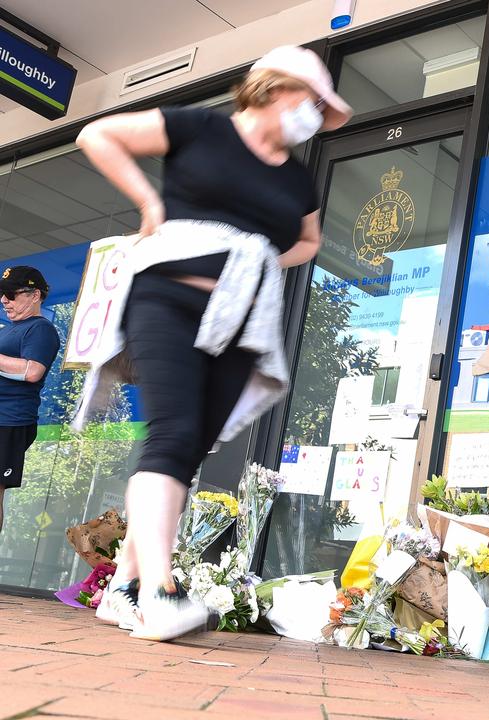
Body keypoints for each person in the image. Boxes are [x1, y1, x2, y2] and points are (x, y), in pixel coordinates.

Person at [73, 46, 351, 641]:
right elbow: (98, 136)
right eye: (312, 101)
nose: (314, 116)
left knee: (189, 448)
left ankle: (122, 587)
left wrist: (256, 259)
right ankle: (159, 593)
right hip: (167, 297)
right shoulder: (200, 128)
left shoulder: (298, 176)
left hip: (241, 318)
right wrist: (150, 203)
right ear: (277, 88)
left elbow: (308, 240)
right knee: (172, 435)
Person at [0, 266, 60, 531]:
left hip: (9, 420)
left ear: (35, 295)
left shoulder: (40, 329)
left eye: (11, 294)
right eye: (2, 294)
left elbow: (33, 371)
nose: (4, 300)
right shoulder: (7, 330)